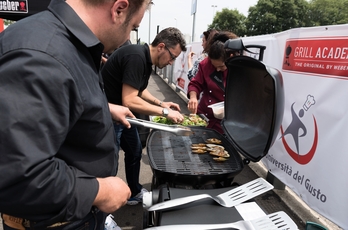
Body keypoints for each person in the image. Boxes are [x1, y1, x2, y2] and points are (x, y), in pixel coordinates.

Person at [0, 0, 152, 229]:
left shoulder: (67, 44)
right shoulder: (43, 55)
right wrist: (100, 191)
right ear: (119, 9)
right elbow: (19, 176)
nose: (127, 39)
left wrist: (103, 108)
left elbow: (61, 97)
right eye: (133, 28)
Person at [101, 27, 187, 205]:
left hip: (125, 117)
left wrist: (161, 103)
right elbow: (130, 100)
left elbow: (139, 88)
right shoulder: (136, 57)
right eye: (173, 56)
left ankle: (134, 192)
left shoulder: (145, 59)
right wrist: (165, 113)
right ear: (161, 46)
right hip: (109, 116)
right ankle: (102, 209)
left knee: (134, 151)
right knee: (109, 164)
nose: (171, 62)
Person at [187, 31, 239, 134]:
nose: (218, 70)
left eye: (221, 66)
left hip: (225, 123)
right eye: (215, 66)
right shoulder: (205, 64)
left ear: (231, 57)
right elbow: (195, 83)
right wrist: (193, 97)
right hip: (202, 117)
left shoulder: (239, 69)